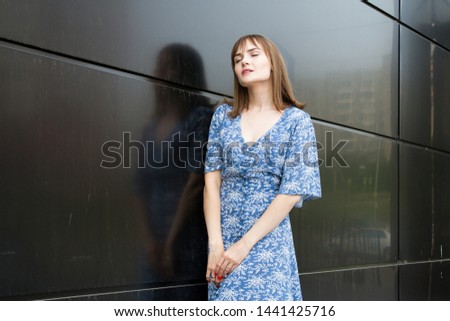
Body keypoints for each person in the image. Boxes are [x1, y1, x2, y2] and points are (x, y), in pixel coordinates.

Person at [203, 34, 321, 300]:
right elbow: (211, 183)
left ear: (273, 64)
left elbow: (292, 191)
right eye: (238, 58)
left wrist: (244, 246)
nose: (244, 60)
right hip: (224, 244)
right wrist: (215, 246)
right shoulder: (223, 116)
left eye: (254, 54)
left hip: (267, 245)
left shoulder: (297, 122)